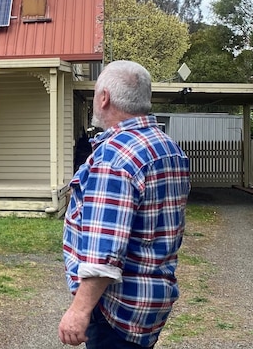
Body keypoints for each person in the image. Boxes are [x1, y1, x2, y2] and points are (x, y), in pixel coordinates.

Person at [59, 60, 190, 348]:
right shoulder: (169, 148)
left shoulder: (114, 158)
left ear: (104, 98)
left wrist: (79, 311)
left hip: (116, 313)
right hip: (150, 305)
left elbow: (104, 252)